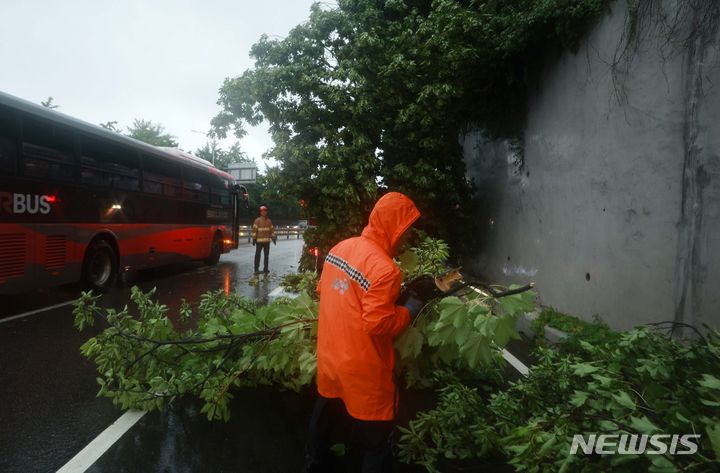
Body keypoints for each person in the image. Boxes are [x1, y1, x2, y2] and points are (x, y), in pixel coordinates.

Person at [305, 192, 432, 473]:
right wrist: (409, 309)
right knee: (377, 447)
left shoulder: (340, 249)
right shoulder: (386, 270)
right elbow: (378, 324)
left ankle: (313, 466)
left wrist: (391, 300)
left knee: (323, 421)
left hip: (331, 360)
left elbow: (327, 292)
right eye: (406, 231)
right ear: (393, 227)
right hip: (364, 374)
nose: (407, 238)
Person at [251, 205, 276, 274]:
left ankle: (266, 269)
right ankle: (256, 269)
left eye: (265, 211)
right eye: (262, 211)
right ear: (260, 212)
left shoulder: (269, 221)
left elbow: (272, 230)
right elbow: (254, 230)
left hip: (267, 242)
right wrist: (254, 239)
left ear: (266, 212)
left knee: (266, 256)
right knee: (258, 255)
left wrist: (273, 238)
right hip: (259, 242)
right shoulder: (257, 220)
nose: (264, 212)